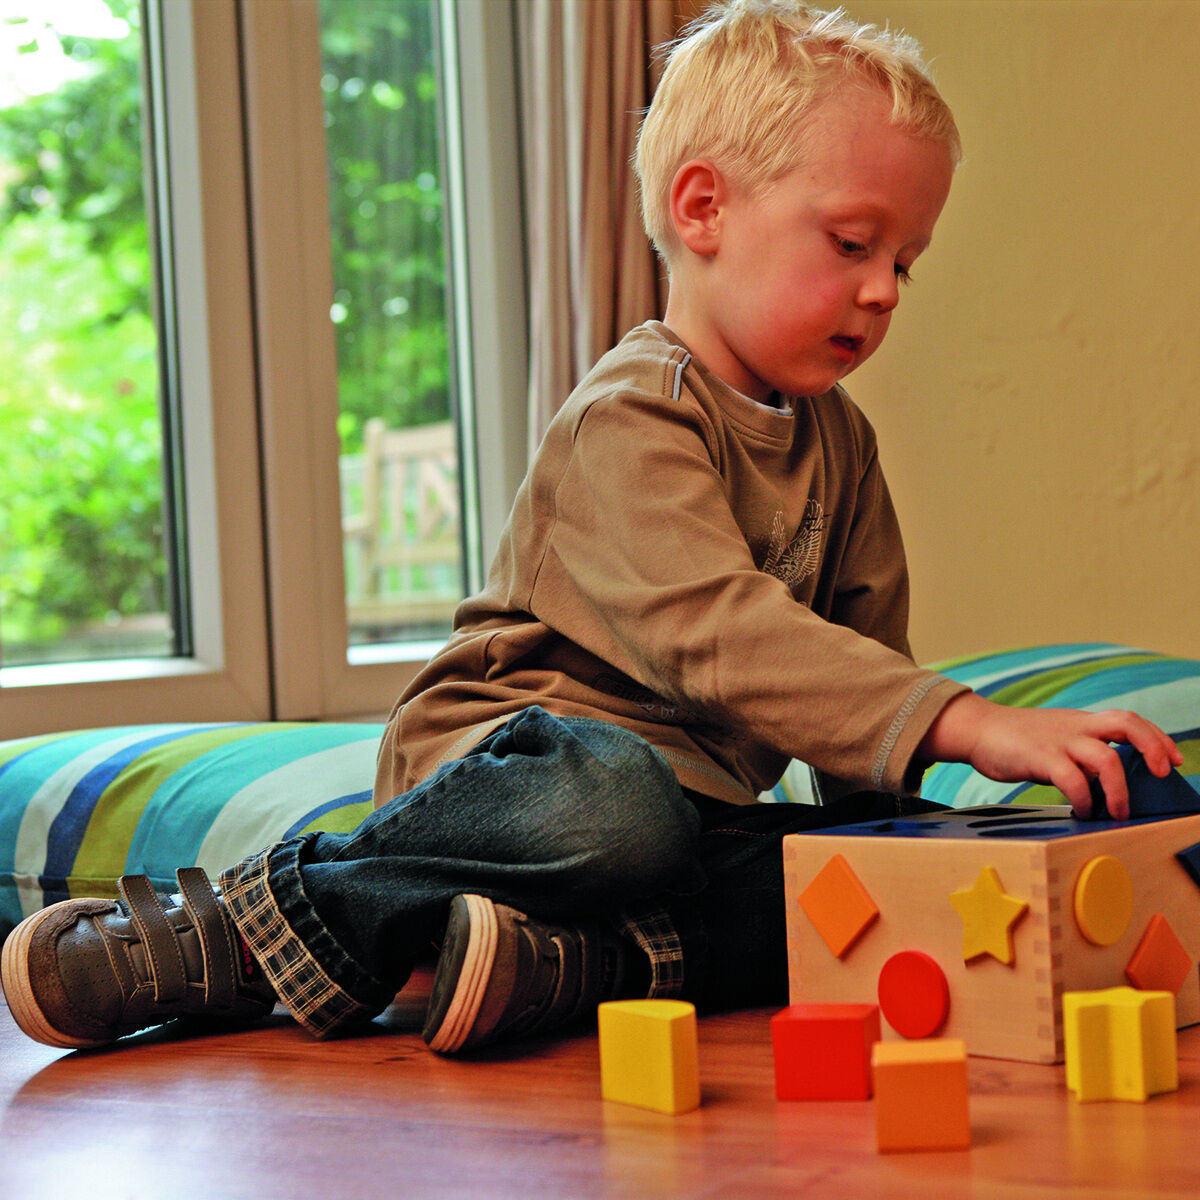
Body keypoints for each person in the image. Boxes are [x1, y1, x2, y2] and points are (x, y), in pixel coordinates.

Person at [1, 0, 1181, 1053]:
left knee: (829, 890)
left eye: (907, 264)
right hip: (519, 766)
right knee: (614, 806)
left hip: (687, 822)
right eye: (852, 242)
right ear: (704, 208)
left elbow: (855, 684)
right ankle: (248, 924)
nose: (883, 289)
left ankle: (562, 965)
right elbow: (718, 634)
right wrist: (969, 722)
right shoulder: (634, 413)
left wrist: (909, 858)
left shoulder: (844, 448)